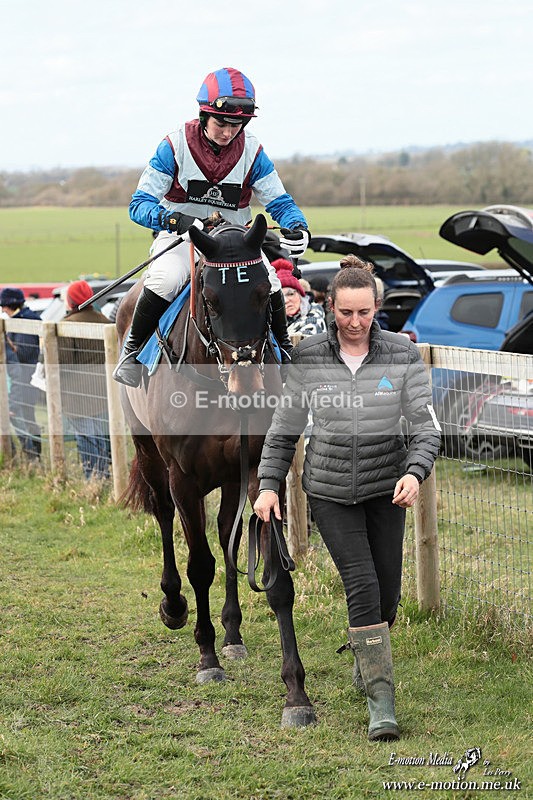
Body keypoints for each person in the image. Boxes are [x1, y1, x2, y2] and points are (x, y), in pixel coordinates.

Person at [253, 255, 441, 742]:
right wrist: (269, 485)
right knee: (361, 586)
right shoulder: (310, 357)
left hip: (386, 490)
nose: (355, 323)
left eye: (364, 313)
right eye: (345, 313)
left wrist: (416, 473)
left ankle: (367, 655)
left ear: (377, 306)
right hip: (330, 491)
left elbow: (424, 429)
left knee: (389, 595)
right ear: (329, 306)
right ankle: (382, 703)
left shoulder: (401, 354)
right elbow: (283, 430)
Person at [113, 66, 310, 387]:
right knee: (166, 279)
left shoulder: (252, 152)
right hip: (181, 239)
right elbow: (139, 205)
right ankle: (132, 352)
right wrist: (173, 218)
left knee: (272, 282)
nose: (228, 132)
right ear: (204, 116)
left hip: (237, 246)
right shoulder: (174, 146)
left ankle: (284, 352)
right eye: (221, 123)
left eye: (237, 125)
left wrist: (297, 226)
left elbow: (280, 203)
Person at [58, 280, 113, 479]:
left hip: (78, 395)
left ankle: (93, 478)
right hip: (104, 390)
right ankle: (103, 475)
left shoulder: (67, 325)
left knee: (87, 438)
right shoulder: (105, 320)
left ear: (72, 301)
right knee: (100, 435)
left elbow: (62, 364)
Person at [0, 287, 42, 459]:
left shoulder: (24, 322)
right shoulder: (20, 320)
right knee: (25, 418)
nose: (3, 309)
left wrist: (10, 348)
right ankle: (33, 455)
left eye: (4, 305)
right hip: (24, 378)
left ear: (11, 304)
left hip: (25, 378)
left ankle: (33, 455)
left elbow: (25, 353)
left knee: (23, 418)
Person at [272, 258, 327, 338]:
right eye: (279, 297)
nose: (286, 300)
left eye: (290, 294)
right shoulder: (270, 322)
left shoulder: (313, 319)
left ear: (300, 294)